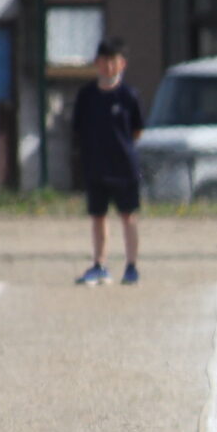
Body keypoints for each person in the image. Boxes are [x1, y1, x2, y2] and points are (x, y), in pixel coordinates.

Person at [71, 38, 146, 285]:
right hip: (96, 165)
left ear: (122, 64)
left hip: (124, 167)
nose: (108, 67)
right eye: (103, 61)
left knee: (128, 216)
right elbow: (78, 128)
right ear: (96, 63)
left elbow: (137, 130)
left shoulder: (129, 95)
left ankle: (132, 266)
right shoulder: (86, 95)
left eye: (113, 62)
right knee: (98, 216)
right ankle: (100, 264)